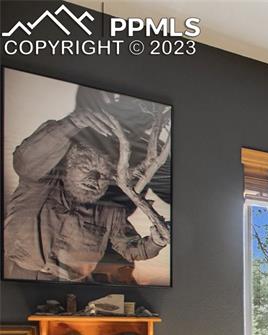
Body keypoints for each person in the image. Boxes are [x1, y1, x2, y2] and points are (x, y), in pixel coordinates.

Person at [3, 109, 168, 282]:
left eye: (103, 175)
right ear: (70, 167)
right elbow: (25, 159)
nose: (94, 179)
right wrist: (71, 124)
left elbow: (130, 249)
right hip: (17, 278)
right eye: (86, 168)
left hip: (72, 290)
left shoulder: (110, 213)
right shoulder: (39, 182)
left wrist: (155, 243)